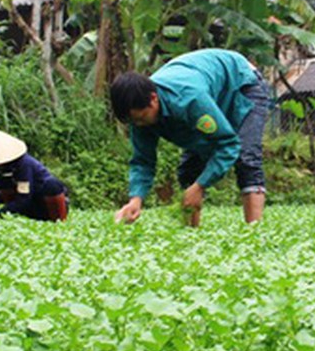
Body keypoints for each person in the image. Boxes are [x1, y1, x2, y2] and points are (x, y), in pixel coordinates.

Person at [109, 48, 270, 227]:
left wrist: (200, 186)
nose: (138, 125)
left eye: (140, 118)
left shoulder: (189, 99)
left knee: (246, 156)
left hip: (242, 82)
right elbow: (142, 161)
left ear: (153, 99)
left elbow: (228, 145)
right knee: (189, 171)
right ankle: (192, 233)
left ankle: (254, 233)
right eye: (133, 121)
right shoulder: (140, 114)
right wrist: (136, 200)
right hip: (210, 90)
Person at [0, 128, 69, 222]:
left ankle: (57, 222)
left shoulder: (23, 165)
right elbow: (9, 192)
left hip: (45, 202)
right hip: (32, 203)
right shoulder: (6, 168)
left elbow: (23, 198)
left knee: (51, 184)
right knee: (2, 182)